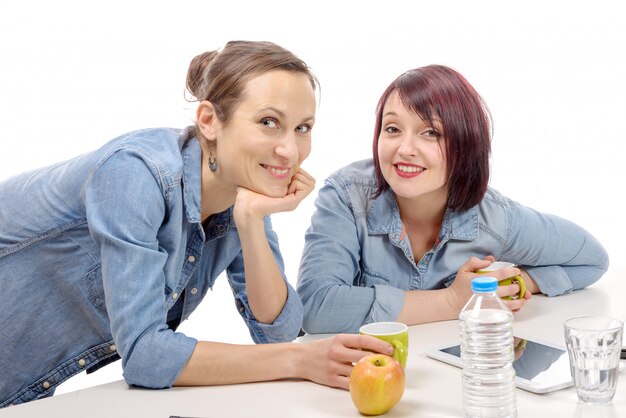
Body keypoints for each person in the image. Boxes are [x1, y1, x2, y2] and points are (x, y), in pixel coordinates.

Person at [0, 40, 392, 407]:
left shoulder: (240, 190)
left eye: (303, 128)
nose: (290, 151)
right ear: (208, 120)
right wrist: (298, 360)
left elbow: (278, 330)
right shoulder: (135, 176)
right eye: (269, 122)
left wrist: (252, 221)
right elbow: (145, 356)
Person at [297, 64, 609, 334]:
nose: (405, 148)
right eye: (392, 128)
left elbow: (592, 260)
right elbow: (315, 307)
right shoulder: (348, 195)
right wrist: (451, 302)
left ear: (466, 145)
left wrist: (520, 282)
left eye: (431, 132)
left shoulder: (494, 218)